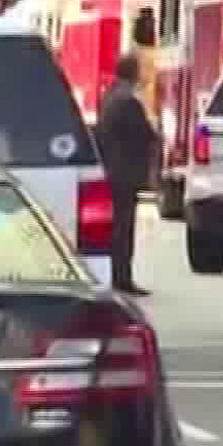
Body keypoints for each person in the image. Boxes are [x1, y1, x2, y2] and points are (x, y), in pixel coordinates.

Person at [96, 52, 158, 296]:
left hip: (112, 169)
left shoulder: (110, 96)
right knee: (124, 227)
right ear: (132, 72)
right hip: (124, 173)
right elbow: (144, 134)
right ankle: (122, 277)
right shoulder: (128, 101)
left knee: (118, 227)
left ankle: (117, 275)